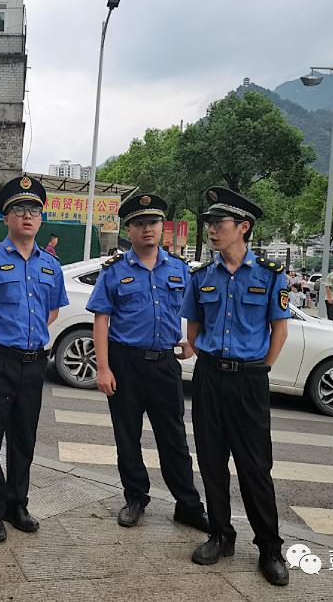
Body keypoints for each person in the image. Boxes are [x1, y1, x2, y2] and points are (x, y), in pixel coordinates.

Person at [182, 187, 290, 587]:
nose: (212, 229)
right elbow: (193, 328)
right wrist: (200, 354)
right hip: (210, 377)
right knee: (211, 461)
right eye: (209, 223)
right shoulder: (201, 276)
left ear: (242, 227)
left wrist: (261, 369)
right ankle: (220, 535)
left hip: (248, 380)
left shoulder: (268, 273)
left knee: (255, 467)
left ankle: (270, 548)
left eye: (219, 223)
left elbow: (279, 328)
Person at [85, 193, 209, 533]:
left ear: (162, 227)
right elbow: (101, 320)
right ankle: (135, 497)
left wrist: (193, 343)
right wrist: (104, 367)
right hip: (125, 364)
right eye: (140, 224)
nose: (147, 229)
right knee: (127, 436)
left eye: (153, 222)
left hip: (165, 365)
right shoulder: (114, 271)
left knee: (174, 439)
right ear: (129, 229)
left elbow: (200, 310)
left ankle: (188, 505)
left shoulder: (180, 270)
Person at [0, 176, 69, 543]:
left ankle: (16, 504)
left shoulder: (51, 266)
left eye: (34, 210)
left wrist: (29, 338)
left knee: (24, 437)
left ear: (41, 218)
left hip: (34, 363)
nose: (27, 216)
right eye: (19, 209)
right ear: (6, 218)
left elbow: (52, 311)